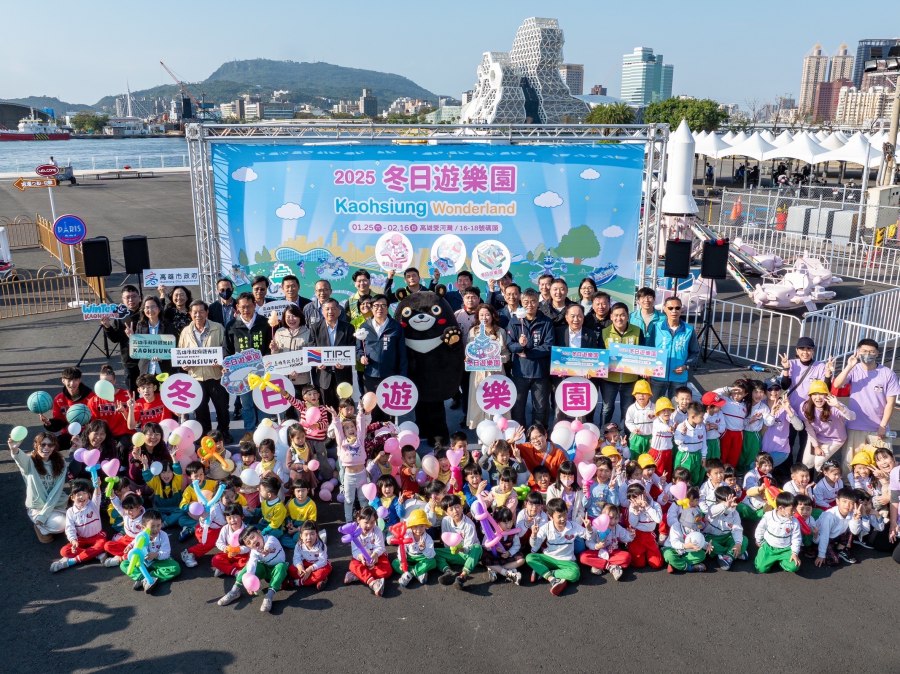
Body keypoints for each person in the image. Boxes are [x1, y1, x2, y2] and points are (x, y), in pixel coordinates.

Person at [832, 339, 899, 473]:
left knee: (884, 465)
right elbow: (837, 384)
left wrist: (883, 425)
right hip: (855, 426)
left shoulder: (887, 374)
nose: (868, 354)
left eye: (871, 351)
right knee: (850, 463)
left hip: (878, 428)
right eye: (864, 351)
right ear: (858, 352)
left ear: (877, 353)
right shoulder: (854, 370)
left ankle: (883, 490)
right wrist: (849, 366)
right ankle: (850, 490)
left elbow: (890, 402)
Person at [178, 300, 231, 442]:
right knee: (201, 410)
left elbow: (225, 349)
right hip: (196, 377)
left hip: (216, 376)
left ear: (207, 312)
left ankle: (223, 434)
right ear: (190, 314)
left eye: (201, 311)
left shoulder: (218, 328)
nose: (198, 315)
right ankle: (206, 437)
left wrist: (221, 362)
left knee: (222, 409)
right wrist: (184, 365)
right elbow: (181, 353)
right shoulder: (185, 332)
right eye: (194, 312)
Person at [779, 337, 834, 459]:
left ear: (813, 351)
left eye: (809, 349)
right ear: (797, 351)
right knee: (788, 442)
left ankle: (802, 471)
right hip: (791, 410)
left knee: (806, 445)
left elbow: (825, 389)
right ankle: (787, 472)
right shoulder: (791, 363)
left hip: (810, 412)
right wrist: (786, 369)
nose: (805, 352)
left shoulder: (820, 366)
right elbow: (784, 386)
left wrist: (828, 374)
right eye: (802, 349)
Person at [8, 432, 68, 542]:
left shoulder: (61, 462)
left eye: (50, 445)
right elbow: (19, 458)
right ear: (36, 445)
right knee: (61, 525)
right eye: (43, 444)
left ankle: (46, 521)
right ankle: (41, 528)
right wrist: (14, 449)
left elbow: (56, 491)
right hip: (38, 507)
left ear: (54, 447)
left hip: (56, 503)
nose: (46, 448)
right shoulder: (29, 461)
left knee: (78, 521)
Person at [525, 498, 592, 596]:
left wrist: (589, 528)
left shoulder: (573, 526)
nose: (563, 518)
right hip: (549, 558)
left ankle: (545, 573)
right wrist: (534, 535)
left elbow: (588, 537)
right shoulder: (546, 527)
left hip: (567, 561)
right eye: (559, 516)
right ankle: (553, 579)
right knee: (529, 557)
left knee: (575, 574)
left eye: (565, 514)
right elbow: (534, 546)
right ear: (550, 516)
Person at [224, 292, 271, 430]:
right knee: (247, 404)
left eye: (249, 306)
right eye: (242, 307)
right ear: (237, 307)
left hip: (262, 370)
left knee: (262, 401)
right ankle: (249, 431)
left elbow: (270, 345)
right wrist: (227, 365)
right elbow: (227, 348)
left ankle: (264, 431)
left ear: (254, 305)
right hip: (242, 373)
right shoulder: (232, 325)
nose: (246, 310)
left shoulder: (264, 322)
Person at [508, 288, 554, 428]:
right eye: (526, 302)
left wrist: (527, 352)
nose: (530, 305)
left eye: (533, 301)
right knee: (518, 407)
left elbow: (548, 346)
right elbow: (509, 345)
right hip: (519, 372)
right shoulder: (515, 321)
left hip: (540, 372)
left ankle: (539, 434)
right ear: (521, 302)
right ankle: (519, 435)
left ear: (538, 302)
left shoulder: (546, 322)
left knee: (540, 408)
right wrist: (519, 346)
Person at [357, 294, 407, 420]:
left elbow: (402, 353)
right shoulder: (364, 327)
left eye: (383, 305)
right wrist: (361, 357)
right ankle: (374, 435)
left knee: (389, 409)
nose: (380, 308)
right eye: (376, 306)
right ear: (372, 308)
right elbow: (358, 349)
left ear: (388, 308)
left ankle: (389, 435)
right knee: (371, 408)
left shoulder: (395, 327)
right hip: (370, 375)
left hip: (390, 375)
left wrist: (402, 376)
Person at [217, 526, 289, 613]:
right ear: (248, 546)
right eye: (248, 542)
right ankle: (234, 591)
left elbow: (270, 545)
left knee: (281, 567)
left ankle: (268, 597)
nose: (253, 542)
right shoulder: (254, 552)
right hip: (265, 568)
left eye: (252, 537)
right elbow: (251, 566)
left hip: (276, 568)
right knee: (247, 568)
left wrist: (266, 549)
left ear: (259, 532)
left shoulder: (271, 538)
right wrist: (249, 582)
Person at [466, 303, 510, 429]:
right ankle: (481, 431)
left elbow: (506, 354)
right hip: (478, 374)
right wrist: (468, 358)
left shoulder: (500, 332)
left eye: (487, 314)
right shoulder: (473, 331)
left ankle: (498, 430)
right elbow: (468, 352)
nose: (484, 318)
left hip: (496, 373)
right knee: (479, 401)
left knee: (496, 402)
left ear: (492, 316)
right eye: (481, 315)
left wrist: (498, 359)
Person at [50, 477, 106, 573]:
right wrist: (73, 540)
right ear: (72, 497)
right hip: (81, 539)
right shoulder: (70, 512)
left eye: (84, 493)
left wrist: (97, 486)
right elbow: (69, 528)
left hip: (97, 537)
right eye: (78, 494)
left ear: (88, 495)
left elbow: (97, 495)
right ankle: (94, 554)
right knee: (64, 551)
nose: (82, 497)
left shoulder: (93, 505)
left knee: (101, 545)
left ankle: (71, 561)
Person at [599, 303, 643, 425]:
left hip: (630, 380)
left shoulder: (637, 331)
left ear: (627, 316)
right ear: (611, 317)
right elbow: (600, 357)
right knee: (607, 409)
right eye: (616, 315)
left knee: (627, 410)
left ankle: (625, 436)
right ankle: (603, 434)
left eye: (623, 315)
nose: (619, 318)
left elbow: (644, 354)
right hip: (609, 380)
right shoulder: (604, 333)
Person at [118, 510, 181, 593]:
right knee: (124, 565)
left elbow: (166, 552)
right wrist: (130, 546)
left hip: (157, 561)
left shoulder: (163, 536)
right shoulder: (141, 535)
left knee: (175, 568)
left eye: (158, 525)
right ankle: (142, 578)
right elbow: (135, 541)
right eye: (152, 526)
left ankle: (151, 577)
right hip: (142, 562)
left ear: (161, 524)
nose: (156, 529)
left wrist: (156, 555)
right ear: (143, 527)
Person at [799, 381, 855, 473]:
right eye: (815, 394)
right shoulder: (805, 406)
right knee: (807, 463)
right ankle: (808, 483)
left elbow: (852, 417)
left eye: (821, 394)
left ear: (827, 395)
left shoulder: (834, 406)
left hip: (835, 439)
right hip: (817, 437)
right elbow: (809, 428)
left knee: (818, 463)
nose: (818, 397)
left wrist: (838, 406)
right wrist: (816, 446)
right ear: (810, 396)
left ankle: (827, 482)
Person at [651, 297, 699, 400]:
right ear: (664, 309)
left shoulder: (689, 330)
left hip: (679, 378)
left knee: (677, 409)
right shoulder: (656, 327)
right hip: (658, 377)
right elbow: (648, 349)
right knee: (655, 408)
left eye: (677, 308)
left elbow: (695, 352)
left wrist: (686, 366)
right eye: (670, 308)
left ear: (681, 309)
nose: (674, 311)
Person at [310, 298, 355, 409]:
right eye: (327, 309)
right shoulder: (315, 327)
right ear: (322, 311)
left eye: (334, 308)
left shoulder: (348, 328)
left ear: (339, 311)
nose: (330, 311)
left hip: (343, 374)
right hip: (324, 375)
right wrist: (317, 363)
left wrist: (346, 363)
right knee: (327, 408)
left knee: (344, 408)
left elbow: (353, 349)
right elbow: (311, 347)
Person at [101, 285, 143, 392]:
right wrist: (107, 326)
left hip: (147, 357)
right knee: (132, 390)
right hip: (129, 359)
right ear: (122, 299)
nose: (130, 300)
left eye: (133, 296)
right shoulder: (120, 315)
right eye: (127, 297)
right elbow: (115, 338)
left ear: (139, 297)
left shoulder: (146, 312)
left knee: (150, 388)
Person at [435, 494, 482, 590]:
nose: (455, 511)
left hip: (468, 555)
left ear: (461, 507)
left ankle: (462, 576)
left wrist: (460, 549)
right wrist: (451, 550)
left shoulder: (469, 524)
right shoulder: (445, 521)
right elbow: (445, 540)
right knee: (434, 552)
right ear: (446, 512)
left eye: (457, 507)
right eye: (451, 509)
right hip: (454, 553)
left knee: (478, 548)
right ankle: (448, 572)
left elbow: (469, 547)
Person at [41, 366, 91, 451]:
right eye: (69, 380)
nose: (72, 383)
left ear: (79, 380)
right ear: (63, 380)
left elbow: (97, 420)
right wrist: (49, 423)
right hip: (68, 435)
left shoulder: (91, 397)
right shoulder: (58, 399)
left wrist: (89, 424)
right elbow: (60, 422)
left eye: (75, 380)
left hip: (87, 434)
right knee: (47, 447)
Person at [345, 506, 391, 596]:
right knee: (352, 564)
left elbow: (380, 547)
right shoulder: (354, 533)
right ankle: (372, 583)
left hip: (377, 557)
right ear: (358, 520)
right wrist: (360, 557)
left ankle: (358, 575)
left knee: (387, 571)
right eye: (366, 522)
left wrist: (376, 554)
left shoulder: (377, 531)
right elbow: (355, 551)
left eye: (372, 522)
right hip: (362, 558)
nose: (369, 525)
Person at [754, 492, 802, 574]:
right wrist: (759, 541)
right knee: (761, 568)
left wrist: (795, 553)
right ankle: (765, 556)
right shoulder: (768, 516)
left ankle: (781, 561)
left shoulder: (794, 522)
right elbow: (760, 529)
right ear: (781, 508)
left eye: (795, 508)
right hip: (769, 547)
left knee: (794, 566)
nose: (795, 511)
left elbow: (796, 538)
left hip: (785, 549)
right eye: (792, 509)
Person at [815, 487, 863, 566]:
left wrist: (856, 519)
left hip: (836, 535)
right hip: (822, 538)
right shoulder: (829, 516)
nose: (847, 505)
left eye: (851, 503)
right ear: (837, 501)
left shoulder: (852, 513)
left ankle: (840, 549)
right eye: (844, 501)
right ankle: (818, 550)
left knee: (851, 526)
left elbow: (855, 531)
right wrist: (821, 555)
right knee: (834, 561)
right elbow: (824, 536)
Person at [131, 296, 177, 376]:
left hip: (164, 369)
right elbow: (137, 349)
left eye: (153, 307)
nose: (150, 310)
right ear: (143, 310)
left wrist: (162, 356)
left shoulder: (168, 325)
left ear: (159, 308)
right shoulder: (140, 325)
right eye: (147, 307)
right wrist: (131, 337)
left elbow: (174, 347)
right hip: (146, 370)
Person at [269, 305, 313, 390]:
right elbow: (275, 356)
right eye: (288, 316)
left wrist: (299, 370)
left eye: (294, 316)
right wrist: (274, 349)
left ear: (300, 317)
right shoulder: (279, 332)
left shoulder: (308, 333)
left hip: (301, 379)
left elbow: (310, 356)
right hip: (283, 378)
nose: (291, 319)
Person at [394, 509, 437, 587]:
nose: (418, 529)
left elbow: (431, 555)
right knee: (395, 563)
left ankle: (409, 574)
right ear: (411, 527)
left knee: (432, 562)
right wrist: (402, 561)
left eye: (422, 526)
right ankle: (419, 573)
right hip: (409, 557)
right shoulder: (407, 535)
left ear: (426, 526)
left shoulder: (428, 538)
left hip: (422, 558)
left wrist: (423, 548)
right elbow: (401, 549)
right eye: (415, 526)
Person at [626, 482, 664, 569]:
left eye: (637, 497)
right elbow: (633, 524)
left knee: (657, 564)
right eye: (633, 499)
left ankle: (653, 551)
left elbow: (658, 519)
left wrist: (647, 506)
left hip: (649, 536)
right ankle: (633, 548)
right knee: (639, 564)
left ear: (644, 493)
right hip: (637, 536)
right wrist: (635, 512)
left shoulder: (655, 505)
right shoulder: (633, 506)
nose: (635, 501)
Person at [287, 521, 331, 590]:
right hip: (305, 563)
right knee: (291, 570)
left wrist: (310, 569)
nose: (309, 537)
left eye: (312, 534)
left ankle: (299, 582)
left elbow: (323, 561)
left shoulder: (321, 546)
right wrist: (300, 567)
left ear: (316, 534)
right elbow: (296, 558)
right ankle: (319, 580)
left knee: (322, 572)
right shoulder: (299, 545)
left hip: (319, 565)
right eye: (306, 534)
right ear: (301, 536)